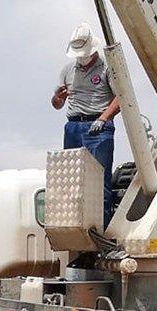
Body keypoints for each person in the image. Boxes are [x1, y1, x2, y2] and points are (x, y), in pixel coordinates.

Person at [51, 21, 120, 227]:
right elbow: (57, 104)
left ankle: (100, 231)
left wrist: (103, 118)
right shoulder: (68, 70)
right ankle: (75, 227)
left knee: (98, 184)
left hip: (98, 128)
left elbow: (121, 98)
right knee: (71, 183)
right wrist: (58, 97)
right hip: (73, 127)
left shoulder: (107, 68)